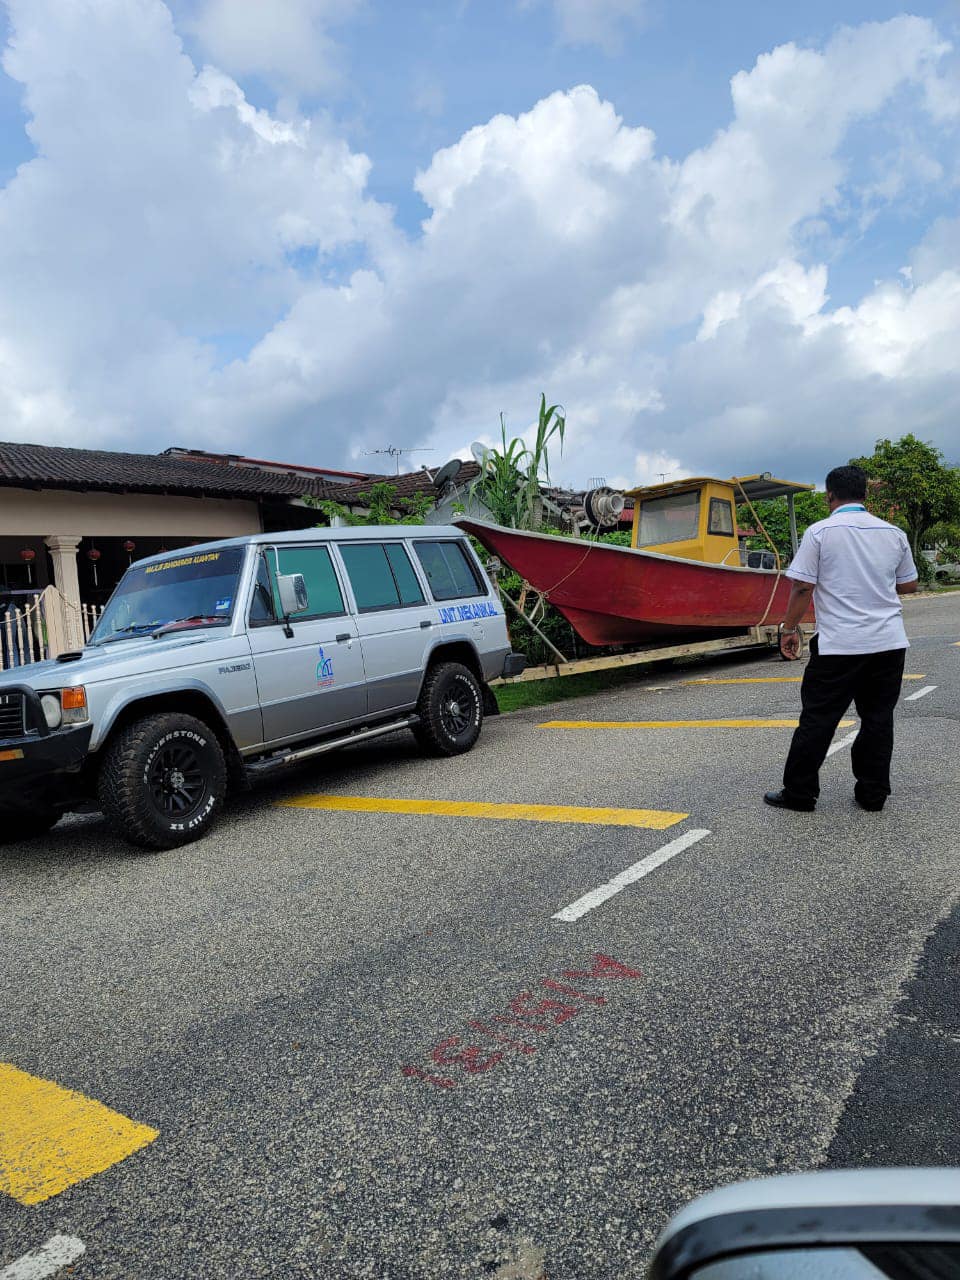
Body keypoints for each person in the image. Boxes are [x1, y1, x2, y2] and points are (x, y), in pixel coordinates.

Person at [764, 464, 918, 813]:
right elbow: (909, 584)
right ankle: (873, 794)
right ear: (865, 493)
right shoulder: (893, 533)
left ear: (829, 495)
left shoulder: (820, 533)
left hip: (839, 646)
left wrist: (788, 629)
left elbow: (803, 586)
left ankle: (800, 794)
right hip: (888, 643)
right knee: (878, 718)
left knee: (818, 718)